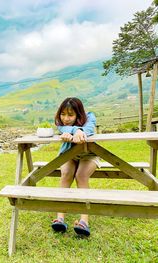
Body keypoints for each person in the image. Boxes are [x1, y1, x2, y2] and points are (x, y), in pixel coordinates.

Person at [51, 97, 99, 237]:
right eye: (63, 114)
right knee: (65, 175)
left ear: (79, 114)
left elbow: (89, 128)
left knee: (81, 176)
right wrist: (75, 130)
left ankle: (84, 221)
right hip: (69, 154)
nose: (66, 118)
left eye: (70, 115)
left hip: (89, 155)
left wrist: (79, 131)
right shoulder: (61, 123)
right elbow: (63, 127)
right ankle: (60, 218)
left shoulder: (89, 116)